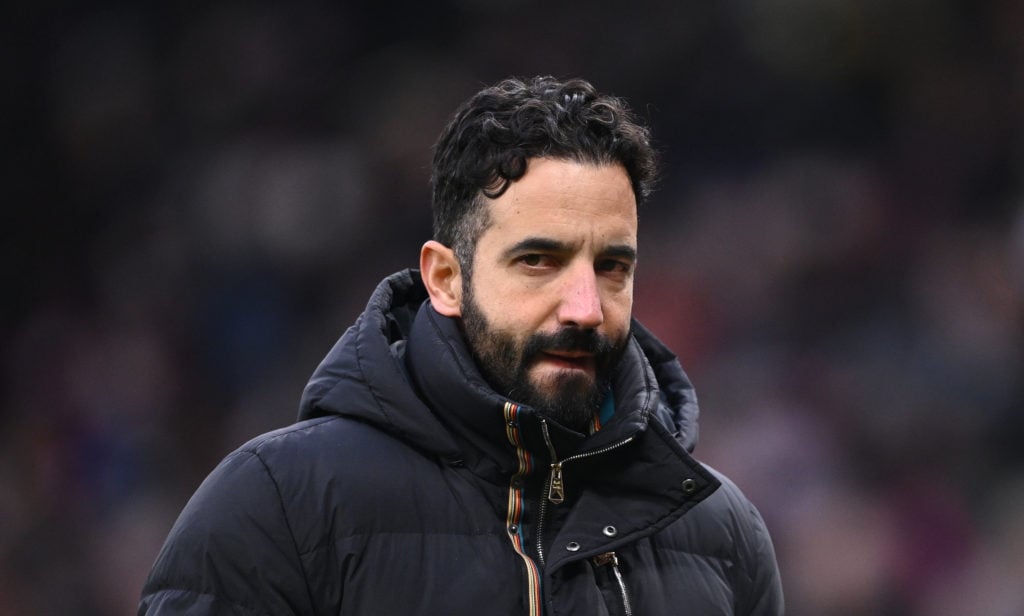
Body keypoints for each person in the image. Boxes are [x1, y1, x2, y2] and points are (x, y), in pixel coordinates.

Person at [139, 75, 784, 615]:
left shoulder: (723, 534)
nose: (586, 308)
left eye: (613, 267)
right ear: (446, 279)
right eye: (539, 260)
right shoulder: (278, 506)